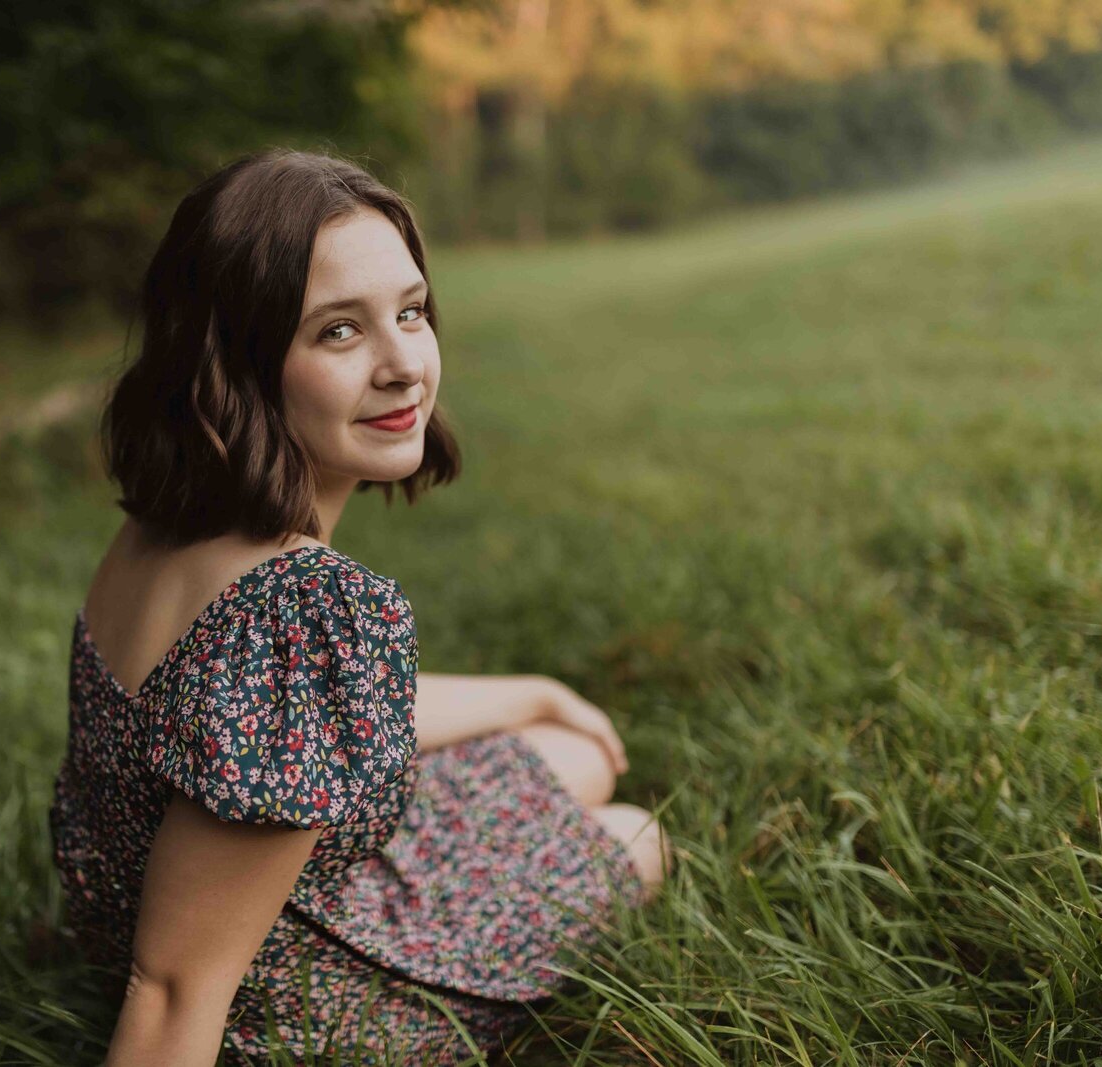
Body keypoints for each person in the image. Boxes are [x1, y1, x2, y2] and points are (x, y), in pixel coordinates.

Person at [49, 147, 671, 1066]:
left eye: (411, 313)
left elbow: (276, 725)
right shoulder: (303, 604)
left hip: (203, 908)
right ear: (242, 364)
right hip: (293, 1007)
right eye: (339, 332)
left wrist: (532, 691)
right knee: (636, 836)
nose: (404, 365)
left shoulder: (160, 529)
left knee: (571, 750)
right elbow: (173, 986)